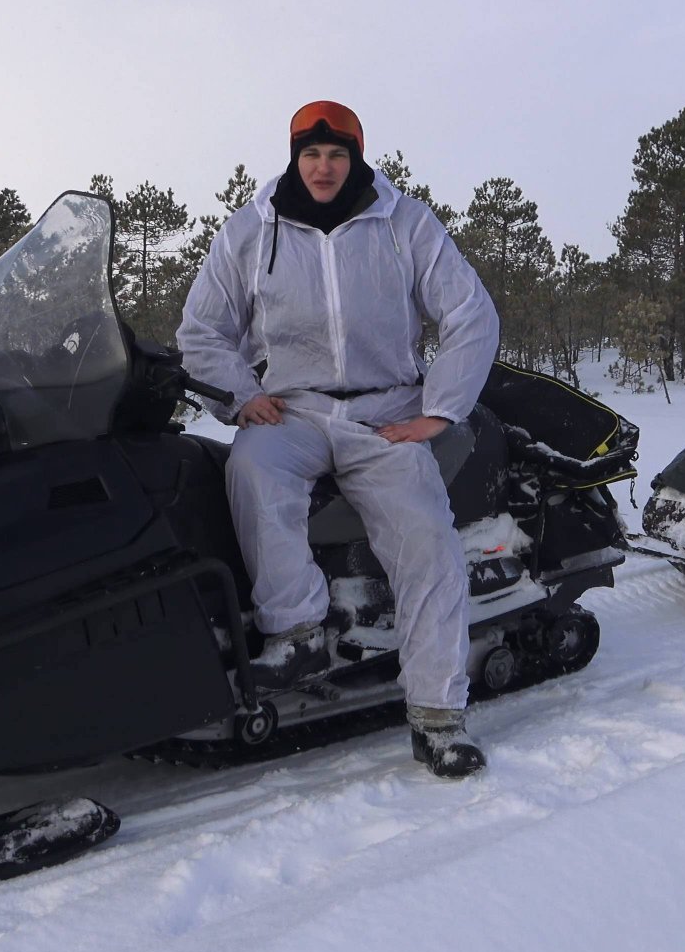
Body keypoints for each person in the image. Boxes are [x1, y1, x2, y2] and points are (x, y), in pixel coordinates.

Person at [176, 100, 499, 779]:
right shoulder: (250, 230)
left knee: (425, 539)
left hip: (387, 413)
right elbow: (203, 329)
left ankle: (438, 718)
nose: (323, 168)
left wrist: (439, 411)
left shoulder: (403, 221)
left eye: (337, 155)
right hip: (292, 411)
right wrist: (242, 394)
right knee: (250, 474)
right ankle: (294, 630)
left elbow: (469, 312)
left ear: (356, 158)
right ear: (294, 156)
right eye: (311, 154)